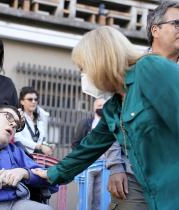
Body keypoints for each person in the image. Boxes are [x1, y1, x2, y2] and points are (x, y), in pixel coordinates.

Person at [32, 26, 179, 210]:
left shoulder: (150, 69)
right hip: (155, 193)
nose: (84, 76)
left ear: (99, 62)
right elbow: (89, 147)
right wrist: (52, 173)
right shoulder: (113, 107)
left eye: (83, 68)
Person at [106, 1, 179, 209]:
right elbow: (109, 125)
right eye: (177, 23)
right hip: (133, 180)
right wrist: (115, 167)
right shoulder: (129, 70)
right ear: (155, 30)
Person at [72, 98, 106, 210]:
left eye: (103, 105)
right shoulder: (86, 123)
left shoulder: (109, 123)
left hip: (105, 165)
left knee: (100, 199)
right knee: (85, 197)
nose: (101, 107)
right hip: (88, 165)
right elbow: (76, 142)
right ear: (93, 107)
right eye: (99, 105)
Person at [14, 86, 53, 156]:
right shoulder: (18, 117)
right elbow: (17, 138)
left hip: (39, 158)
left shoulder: (40, 118)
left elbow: (42, 139)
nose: (33, 102)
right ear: (22, 102)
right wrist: (39, 146)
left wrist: (47, 146)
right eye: (30, 99)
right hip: (23, 157)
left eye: (36, 99)